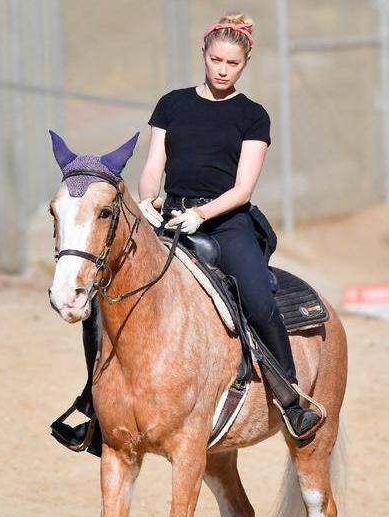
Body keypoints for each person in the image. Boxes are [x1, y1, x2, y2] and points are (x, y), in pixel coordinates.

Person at [138, 13, 323, 440]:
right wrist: (148, 201)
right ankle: (94, 402)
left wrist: (201, 215)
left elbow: (242, 189)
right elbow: (153, 166)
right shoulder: (171, 104)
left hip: (225, 223)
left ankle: (292, 399)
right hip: (170, 216)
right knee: (114, 289)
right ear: (203, 55)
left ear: (245, 65)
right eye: (216, 60)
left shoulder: (252, 116)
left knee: (258, 299)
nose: (222, 70)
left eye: (232, 63)